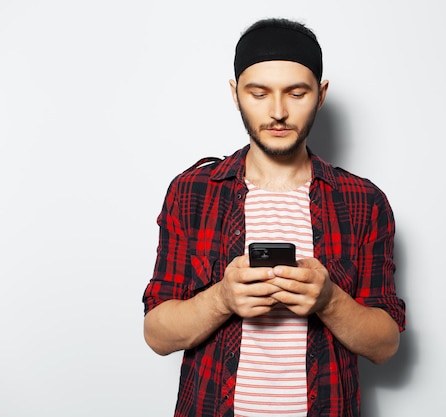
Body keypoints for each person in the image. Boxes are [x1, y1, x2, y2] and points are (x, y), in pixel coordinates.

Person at [142, 17, 406, 417]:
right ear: (235, 94)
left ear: (321, 94)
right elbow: (157, 334)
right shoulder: (192, 191)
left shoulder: (363, 201)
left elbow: (385, 346)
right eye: (259, 93)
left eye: (296, 93)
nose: (278, 111)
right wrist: (223, 298)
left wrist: (329, 300)